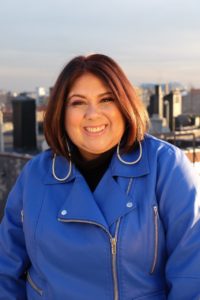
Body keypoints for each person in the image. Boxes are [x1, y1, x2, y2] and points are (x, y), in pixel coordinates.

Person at [0, 54, 200, 300]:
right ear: (61, 112)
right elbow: (5, 270)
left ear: (125, 104)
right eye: (78, 102)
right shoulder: (35, 176)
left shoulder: (165, 165)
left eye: (106, 99)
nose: (92, 114)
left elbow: (193, 274)